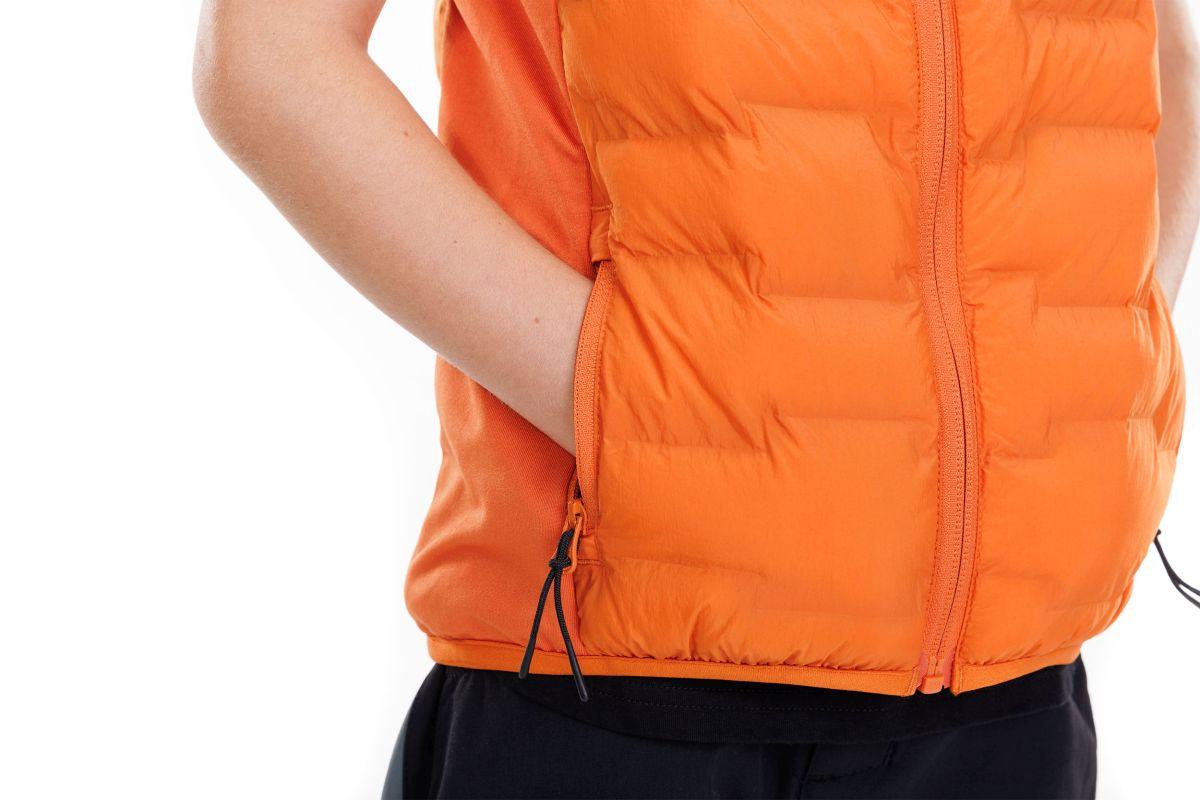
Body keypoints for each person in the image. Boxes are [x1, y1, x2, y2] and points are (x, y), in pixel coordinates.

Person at [193, 1, 1200, 797]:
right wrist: (633, 403)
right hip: (610, 689)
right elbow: (269, 55)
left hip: (1012, 704)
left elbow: (1157, 50)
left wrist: (1113, 353)